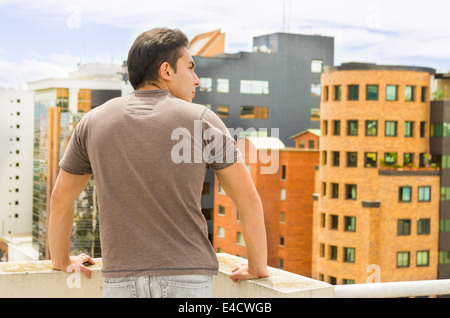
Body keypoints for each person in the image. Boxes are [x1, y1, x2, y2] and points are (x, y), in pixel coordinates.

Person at [48, 27, 268, 298]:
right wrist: (257, 267)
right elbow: (247, 199)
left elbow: (60, 198)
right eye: (190, 68)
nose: (196, 80)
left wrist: (60, 260)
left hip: (120, 281)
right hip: (188, 279)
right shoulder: (202, 119)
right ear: (167, 71)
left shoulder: (93, 121)